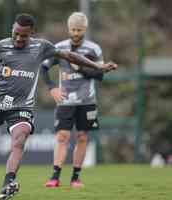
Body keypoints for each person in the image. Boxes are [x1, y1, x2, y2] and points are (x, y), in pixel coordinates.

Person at [0, 13, 117, 200]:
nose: (19, 38)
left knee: (19, 140)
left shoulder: (41, 47)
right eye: (16, 33)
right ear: (12, 28)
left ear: (32, 33)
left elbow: (69, 55)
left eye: (24, 35)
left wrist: (97, 67)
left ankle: (8, 183)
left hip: (21, 107)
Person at [42, 12, 117, 189]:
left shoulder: (94, 49)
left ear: (85, 29)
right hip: (65, 101)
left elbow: (100, 75)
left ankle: (75, 178)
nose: (76, 33)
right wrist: (52, 87)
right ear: (68, 29)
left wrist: (80, 68)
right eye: (73, 29)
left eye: (79, 30)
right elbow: (44, 68)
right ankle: (55, 176)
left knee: (82, 137)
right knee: (62, 136)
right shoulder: (59, 48)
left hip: (87, 101)